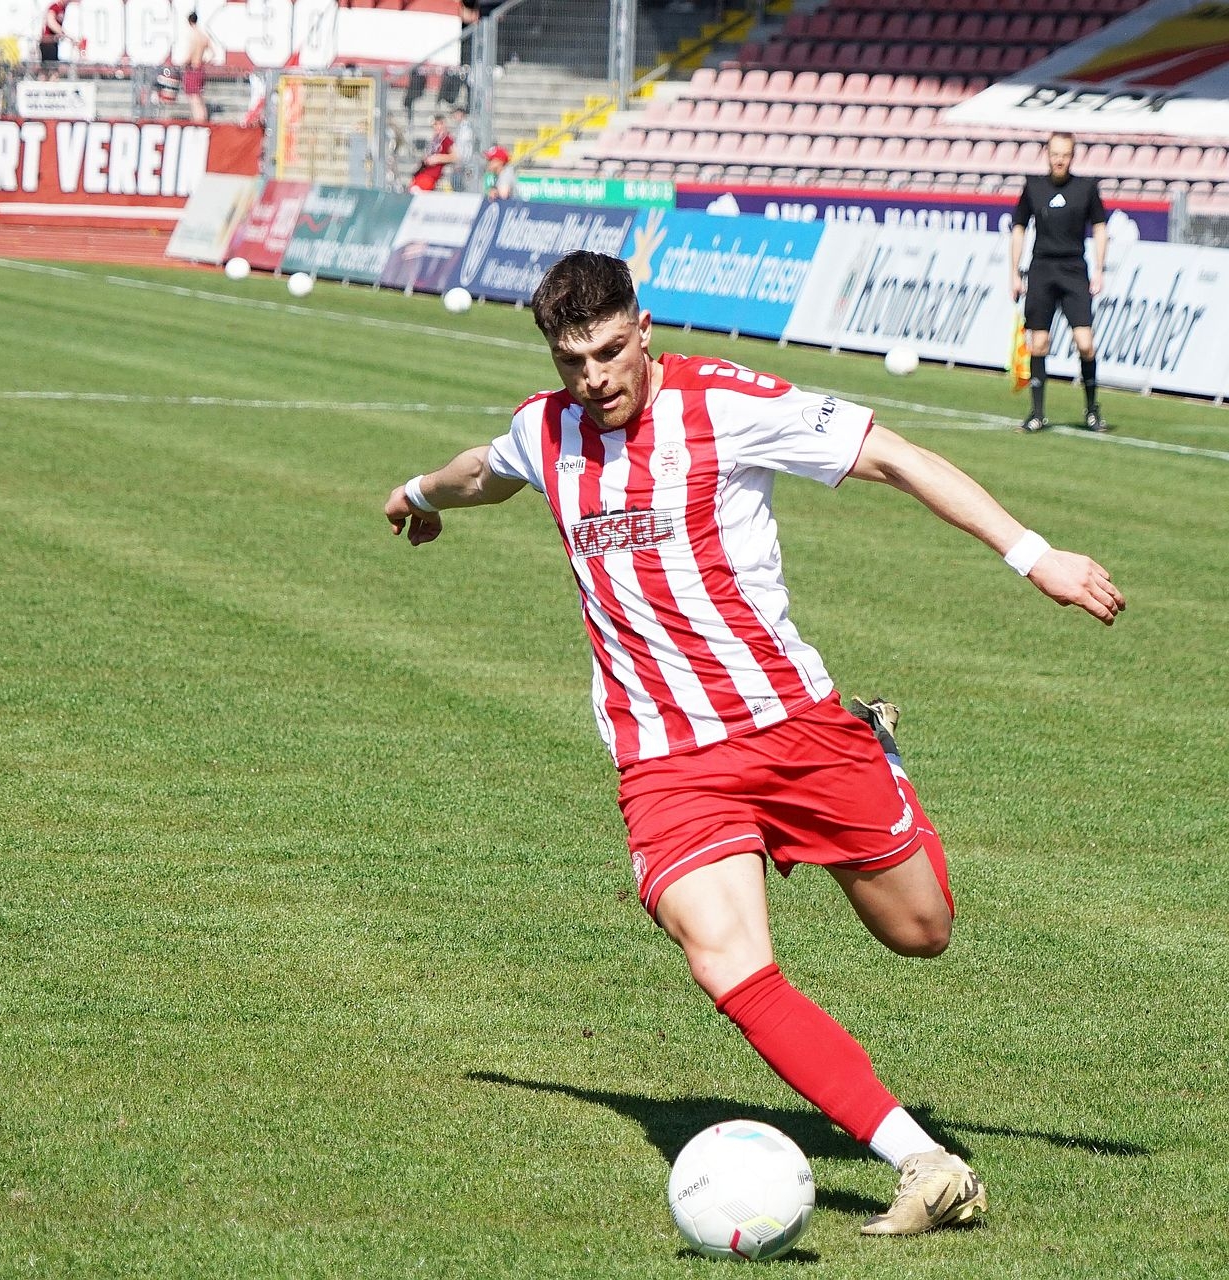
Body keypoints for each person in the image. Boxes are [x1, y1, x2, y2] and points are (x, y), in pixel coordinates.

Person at [384, 251, 1125, 1238]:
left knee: (922, 931)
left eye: (610, 351)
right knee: (726, 960)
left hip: (793, 729)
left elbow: (897, 457)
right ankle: (926, 1163)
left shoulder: (726, 404)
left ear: (644, 329)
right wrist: (419, 494)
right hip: (667, 760)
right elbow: (486, 470)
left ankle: (879, 751)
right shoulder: (545, 428)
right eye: (572, 360)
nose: (594, 377)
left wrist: (1036, 556)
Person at [1011, 132, 1109, 434]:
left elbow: (1100, 227)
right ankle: (1037, 413)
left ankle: (1091, 409)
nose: (1059, 160)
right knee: (1039, 343)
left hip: (1074, 270)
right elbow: (1018, 228)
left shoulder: (1086, 188)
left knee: (1085, 343)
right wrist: (1014, 272)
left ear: (1072, 156)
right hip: (1042, 269)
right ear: (1047, 154)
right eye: (1055, 154)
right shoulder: (1034, 187)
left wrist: (1100, 269)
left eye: (1065, 154)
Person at [180, 10, 212, 123]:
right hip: (200, 69)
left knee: (194, 99)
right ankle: (203, 120)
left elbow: (190, 54)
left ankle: (199, 122)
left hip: (192, 69)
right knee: (199, 98)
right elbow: (213, 54)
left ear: (189, 21)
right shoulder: (203, 36)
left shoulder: (192, 36)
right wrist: (203, 60)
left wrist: (182, 63)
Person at [410, 114, 453, 192]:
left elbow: (455, 157)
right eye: (435, 124)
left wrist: (438, 158)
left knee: (415, 190)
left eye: (439, 124)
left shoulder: (447, 139)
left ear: (444, 125)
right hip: (423, 173)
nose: (437, 127)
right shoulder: (435, 139)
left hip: (431, 176)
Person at [38, 0, 71, 76]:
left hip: (54, 43)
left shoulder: (63, 8)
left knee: (53, 69)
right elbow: (51, 22)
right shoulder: (54, 7)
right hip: (47, 42)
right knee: (47, 69)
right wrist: (62, 32)